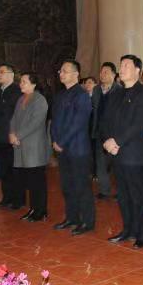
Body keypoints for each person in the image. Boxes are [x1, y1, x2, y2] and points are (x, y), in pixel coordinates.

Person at [103, 55, 143, 248]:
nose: (122, 68)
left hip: (134, 154)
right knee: (123, 196)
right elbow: (106, 120)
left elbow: (139, 123)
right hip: (116, 153)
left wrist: (117, 141)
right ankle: (128, 230)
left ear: (137, 70)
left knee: (139, 196)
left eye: (126, 65)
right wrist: (107, 141)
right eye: (121, 65)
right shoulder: (115, 93)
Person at [51, 60, 96, 236]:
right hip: (62, 148)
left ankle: (87, 221)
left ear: (76, 74)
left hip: (77, 149)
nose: (61, 74)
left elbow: (78, 123)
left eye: (65, 71)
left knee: (81, 186)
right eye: (60, 71)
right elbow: (54, 121)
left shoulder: (82, 95)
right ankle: (72, 218)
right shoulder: (60, 95)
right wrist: (55, 139)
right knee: (67, 186)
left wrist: (61, 141)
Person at [9, 72, 50, 222]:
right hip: (21, 145)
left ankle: (41, 211)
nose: (21, 84)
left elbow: (35, 123)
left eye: (24, 82)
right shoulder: (21, 99)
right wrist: (11, 134)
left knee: (37, 180)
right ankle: (33, 209)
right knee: (29, 181)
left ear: (33, 84)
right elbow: (13, 119)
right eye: (21, 81)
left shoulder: (39, 100)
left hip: (34, 147)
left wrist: (18, 136)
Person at [0, 63, 23, 210]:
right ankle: (6, 198)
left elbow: (17, 116)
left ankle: (18, 200)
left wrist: (14, 134)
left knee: (14, 170)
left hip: (10, 137)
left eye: (2, 72)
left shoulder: (16, 91)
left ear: (11, 75)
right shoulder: (0, 91)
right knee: (3, 170)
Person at [91, 62, 118, 199]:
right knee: (100, 163)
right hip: (99, 131)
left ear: (113, 74)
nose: (102, 74)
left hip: (114, 133)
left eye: (106, 72)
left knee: (117, 164)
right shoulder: (96, 90)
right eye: (101, 72)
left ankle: (121, 191)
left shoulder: (119, 90)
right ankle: (104, 190)